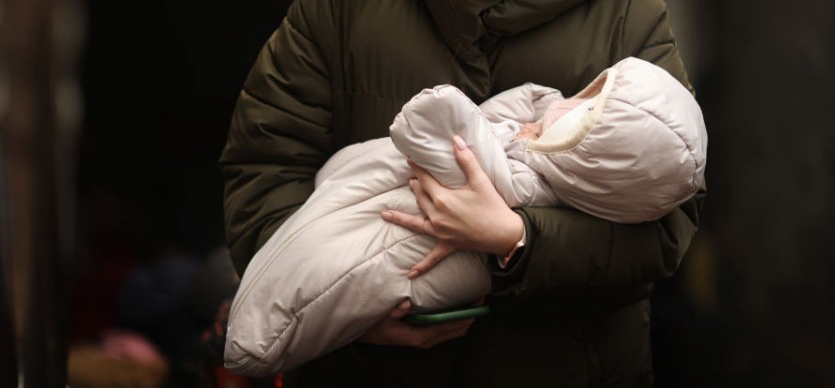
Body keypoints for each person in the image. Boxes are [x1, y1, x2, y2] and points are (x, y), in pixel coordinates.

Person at [219, 0, 705, 386]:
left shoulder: (628, 8)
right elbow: (263, 170)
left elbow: (670, 221)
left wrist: (517, 238)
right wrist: (346, 313)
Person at [223, 57, 707, 376]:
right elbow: (266, 157)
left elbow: (433, 125)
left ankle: (258, 337)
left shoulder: (528, 182)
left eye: (583, 109)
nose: (569, 102)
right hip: (373, 356)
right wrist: (352, 328)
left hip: (546, 356)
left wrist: (517, 237)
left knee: (345, 268)